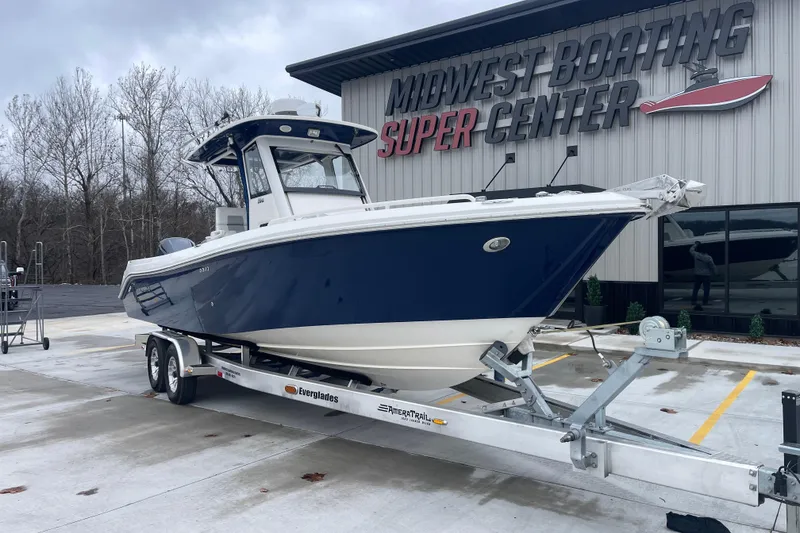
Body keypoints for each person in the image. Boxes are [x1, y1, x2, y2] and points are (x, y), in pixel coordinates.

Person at [689, 241, 716, 310]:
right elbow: (712, 266)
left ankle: (693, 301)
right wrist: (715, 273)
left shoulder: (696, 255)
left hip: (697, 274)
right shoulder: (708, 258)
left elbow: (691, 250)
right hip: (706, 275)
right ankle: (705, 302)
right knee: (706, 289)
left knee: (696, 288)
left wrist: (695, 244)